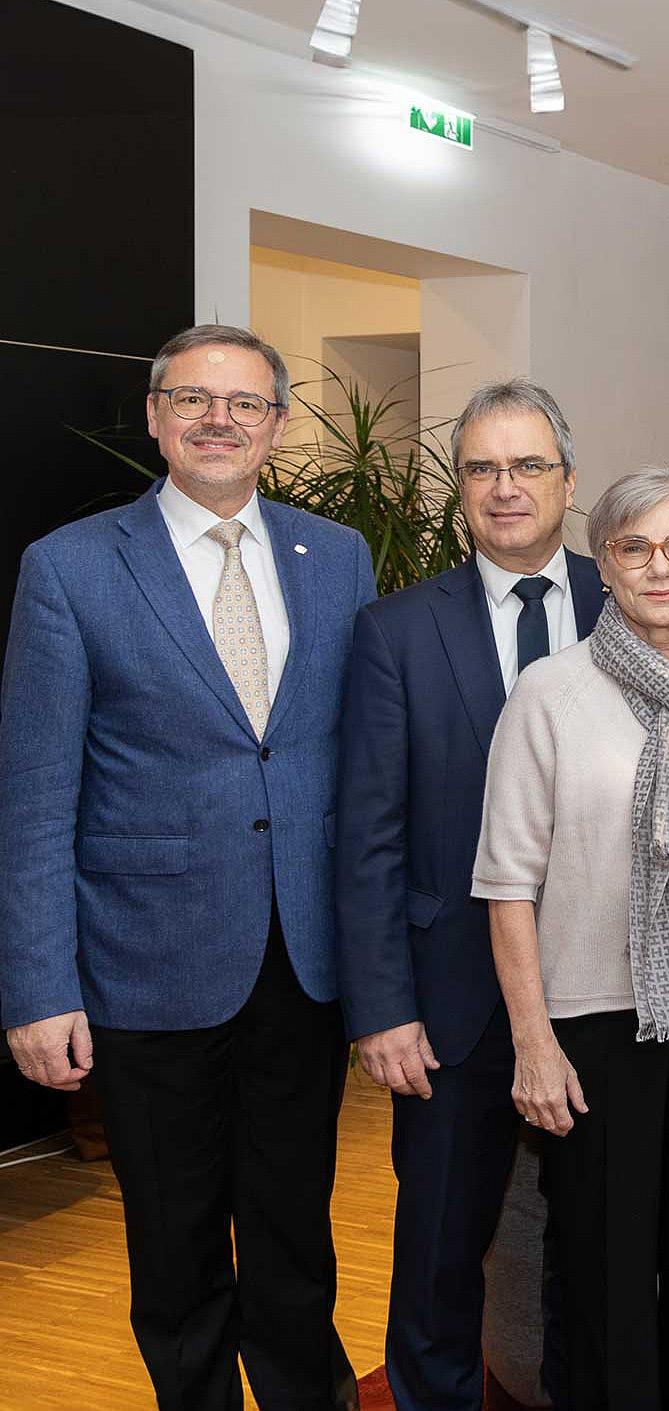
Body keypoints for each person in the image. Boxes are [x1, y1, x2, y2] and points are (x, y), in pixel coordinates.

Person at [1, 324, 374, 1410]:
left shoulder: (337, 556)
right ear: (159, 416)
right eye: (194, 398)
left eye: (244, 402)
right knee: (174, 1242)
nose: (219, 418)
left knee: (296, 1225)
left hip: (304, 960)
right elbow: (33, 799)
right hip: (144, 965)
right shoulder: (71, 566)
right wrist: (38, 987)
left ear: (279, 426)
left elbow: (356, 758)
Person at [472, 467, 669, 1409]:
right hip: (596, 1022)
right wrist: (532, 1041)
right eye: (635, 546)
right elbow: (505, 882)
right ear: (602, 562)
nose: (660, 565)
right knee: (604, 1267)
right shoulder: (547, 692)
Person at [334, 379, 604, 1411]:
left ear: (567, 481)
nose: (505, 488)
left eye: (528, 465)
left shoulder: (632, 600)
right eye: (483, 468)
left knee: (596, 1247)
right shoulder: (396, 630)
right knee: (441, 1249)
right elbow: (366, 835)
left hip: (602, 990)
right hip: (446, 1004)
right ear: (460, 487)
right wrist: (382, 1008)